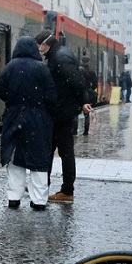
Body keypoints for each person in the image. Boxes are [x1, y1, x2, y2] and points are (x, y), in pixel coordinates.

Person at [0, 36, 57, 210]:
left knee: (15, 159)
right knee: (39, 161)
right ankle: (39, 201)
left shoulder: (10, 67)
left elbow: (1, 91)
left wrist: (15, 102)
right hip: (38, 121)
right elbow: (51, 95)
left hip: (14, 117)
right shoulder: (42, 69)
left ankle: (13, 198)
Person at [35, 31, 91, 204]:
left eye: (40, 45)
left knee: (62, 152)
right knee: (58, 151)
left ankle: (66, 190)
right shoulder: (59, 55)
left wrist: (83, 101)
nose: (39, 49)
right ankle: (48, 187)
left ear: (46, 44)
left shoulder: (60, 58)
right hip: (60, 112)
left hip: (61, 113)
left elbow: (76, 82)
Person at [79, 56, 99, 135]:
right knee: (86, 113)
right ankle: (85, 131)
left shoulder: (77, 70)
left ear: (81, 61)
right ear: (88, 62)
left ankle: (73, 131)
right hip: (87, 93)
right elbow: (95, 84)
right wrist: (90, 88)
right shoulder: (91, 72)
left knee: (75, 113)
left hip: (78, 92)